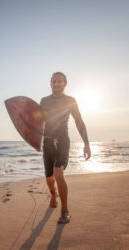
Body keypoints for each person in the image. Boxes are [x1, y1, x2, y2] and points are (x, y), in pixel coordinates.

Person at [40, 72, 91, 224]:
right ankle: (53, 194)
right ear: (50, 83)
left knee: (58, 174)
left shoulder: (70, 101)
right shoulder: (44, 100)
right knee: (49, 178)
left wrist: (86, 143)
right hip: (47, 142)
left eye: (59, 81)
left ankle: (65, 211)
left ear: (65, 83)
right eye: (54, 81)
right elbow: (37, 121)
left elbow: (79, 122)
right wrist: (34, 141)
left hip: (62, 141)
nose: (56, 83)